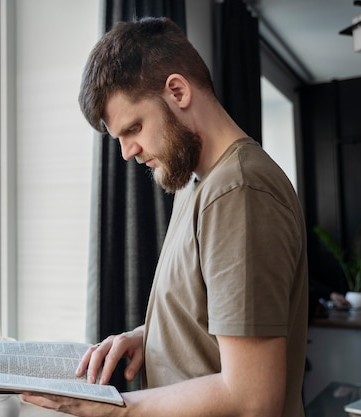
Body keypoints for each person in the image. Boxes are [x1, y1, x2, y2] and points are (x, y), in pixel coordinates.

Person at [22, 17, 308, 417]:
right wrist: (150, 337)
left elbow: (252, 398)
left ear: (177, 91)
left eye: (133, 127)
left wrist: (111, 408)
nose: (126, 152)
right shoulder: (198, 183)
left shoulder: (238, 192)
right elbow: (214, 320)